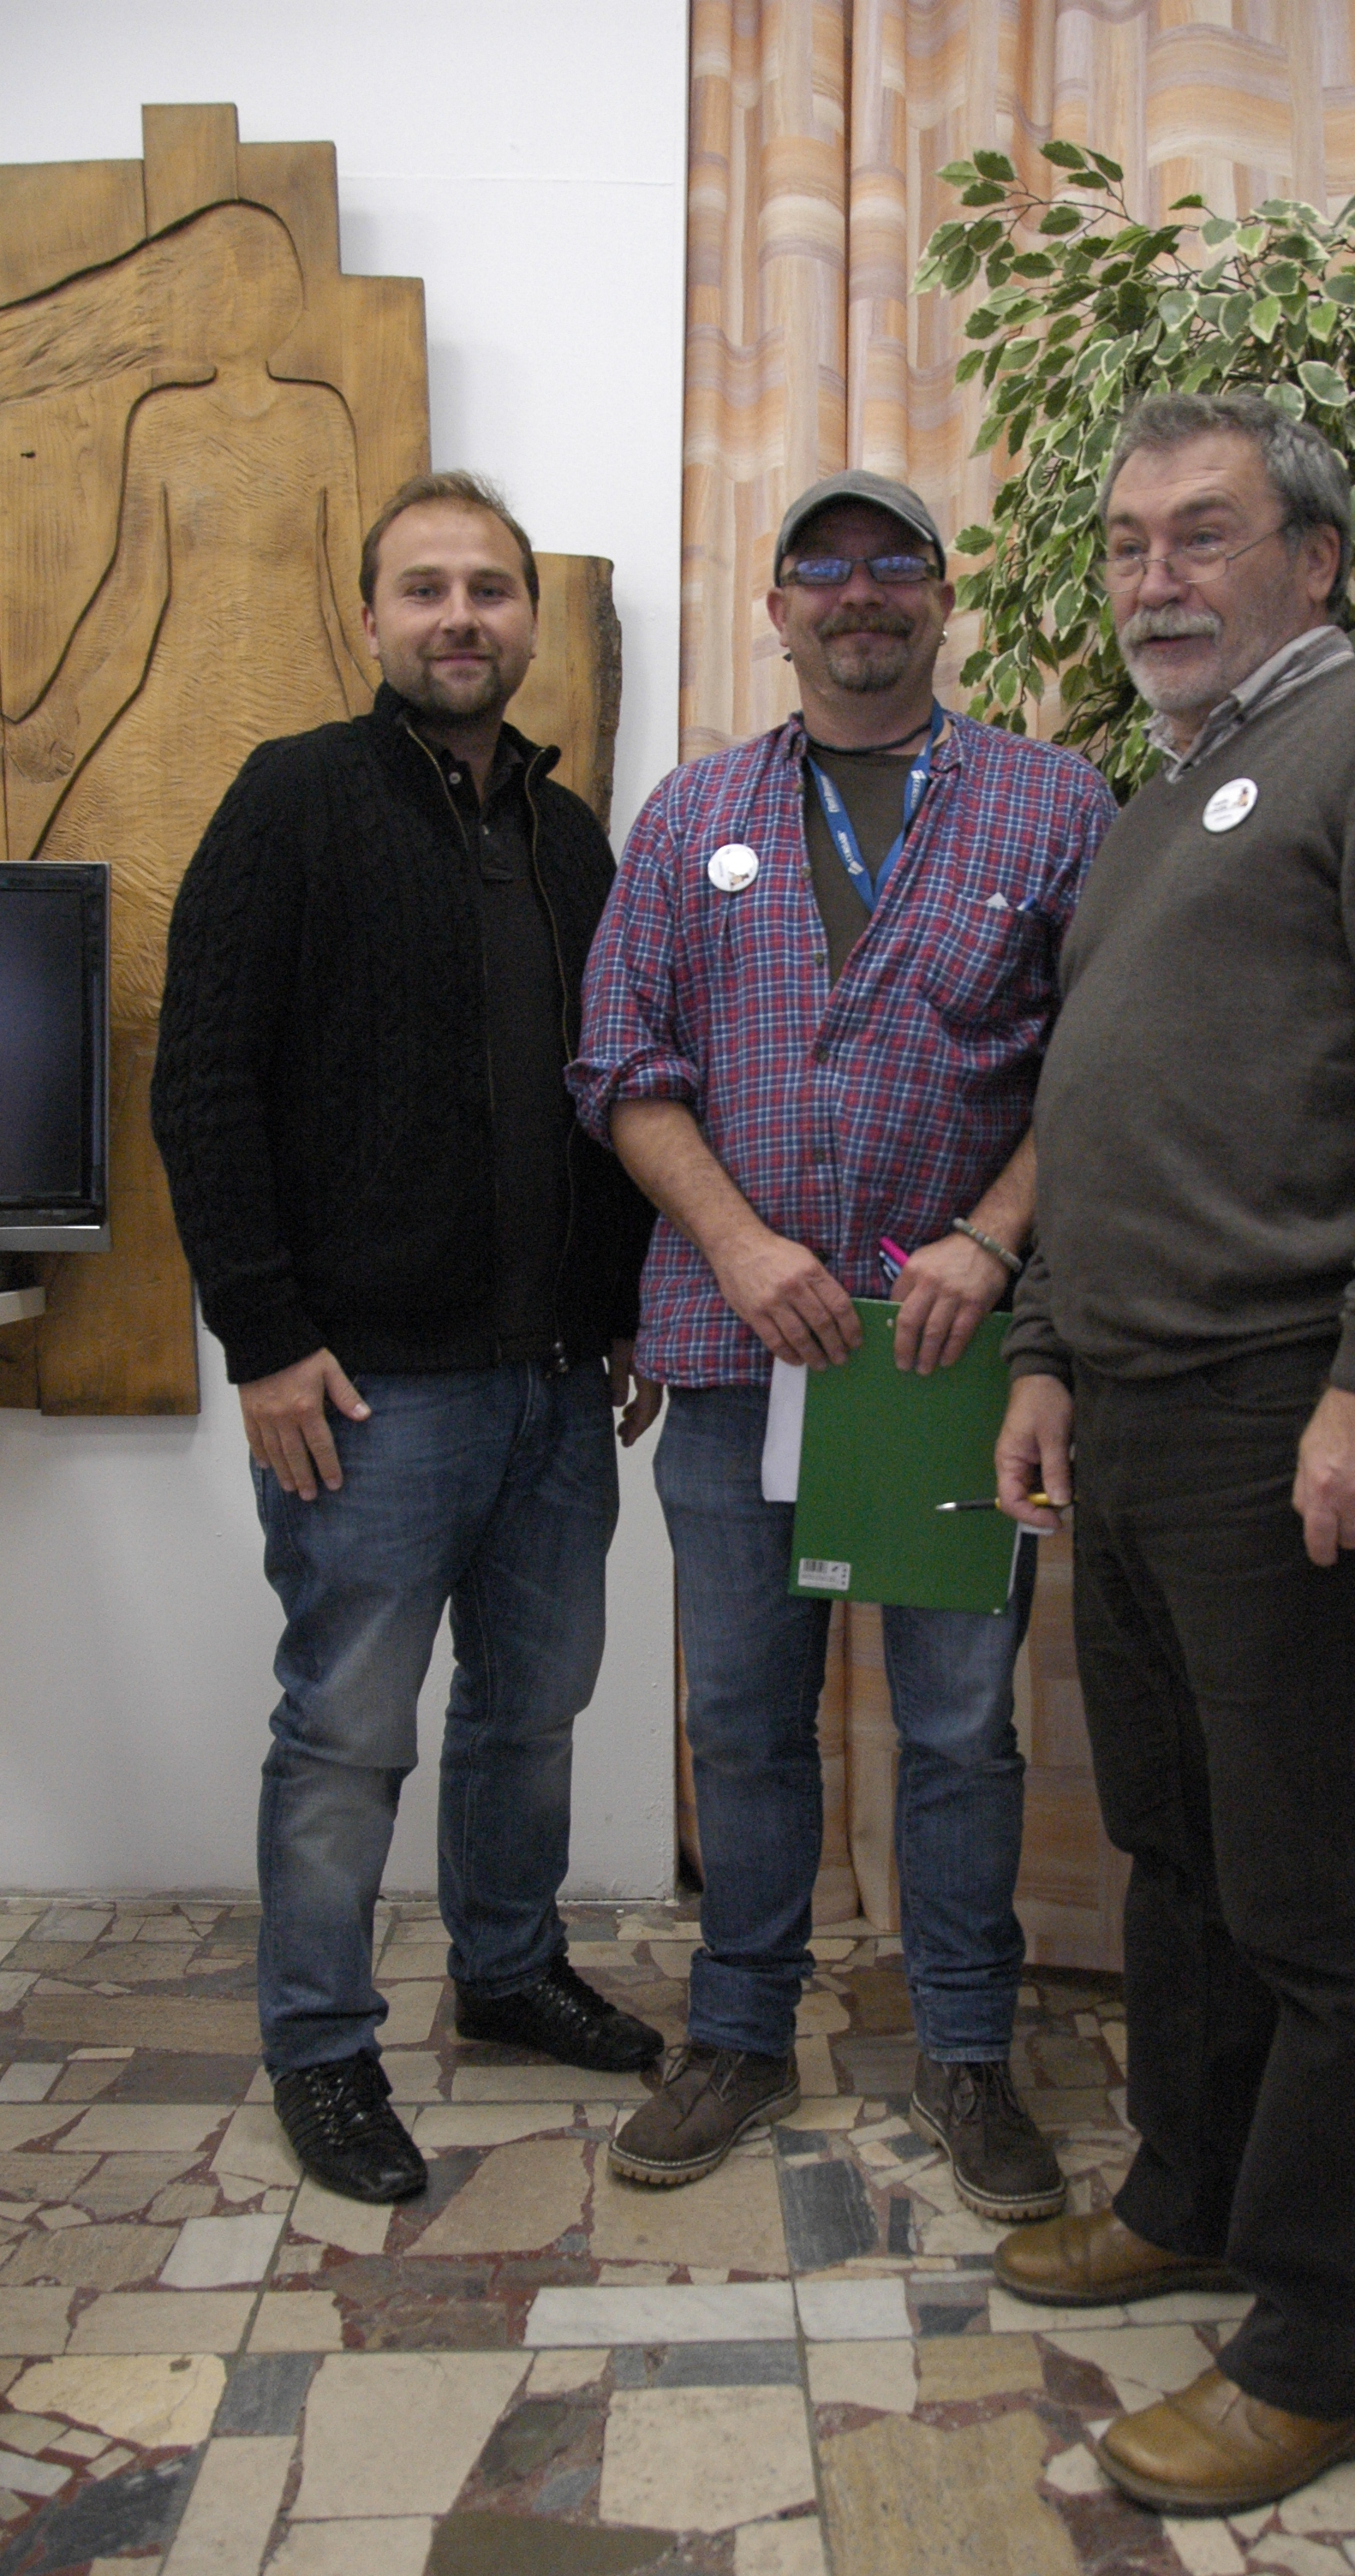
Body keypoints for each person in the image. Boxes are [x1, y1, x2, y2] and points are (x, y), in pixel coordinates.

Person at [991, 393, 1355, 2513]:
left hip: (1290, 1400)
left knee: (1324, 1904)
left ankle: (1322, 2346)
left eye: (1203, 533)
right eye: (1130, 541)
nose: (1156, 576)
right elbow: (1096, 1106)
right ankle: (1193, 2196)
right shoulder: (1157, 802)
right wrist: (1045, 1352)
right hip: (1134, 1414)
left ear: (1312, 556)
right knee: (1178, 1854)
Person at [575, 468, 1116, 2215]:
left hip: (945, 1368)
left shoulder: (1055, 804)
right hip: (737, 1354)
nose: (859, 592)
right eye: (824, 566)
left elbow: (1102, 1060)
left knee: (959, 1729)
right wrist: (734, 1245)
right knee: (744, 1720)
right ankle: (739, 2032)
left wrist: (992, 1238)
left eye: (895, 563)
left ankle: (966, 2048)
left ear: (944, 597)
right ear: (778, 606)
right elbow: (620, 1061)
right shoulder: (692, 814)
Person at [152, 471, 662, 2206]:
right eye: (425, 588)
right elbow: (201, 1079)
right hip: (367, 1394)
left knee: (533, 1709)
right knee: (349, 1733)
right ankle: (319, 2043)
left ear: (528, 618)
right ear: (369, 617)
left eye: (489, 589)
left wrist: (617, 1307)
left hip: (552, 1387)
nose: (461, 617)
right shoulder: (293, 798)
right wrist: (263, 1337)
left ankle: (508, 1969)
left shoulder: (569, 837)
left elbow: (605, 1092)